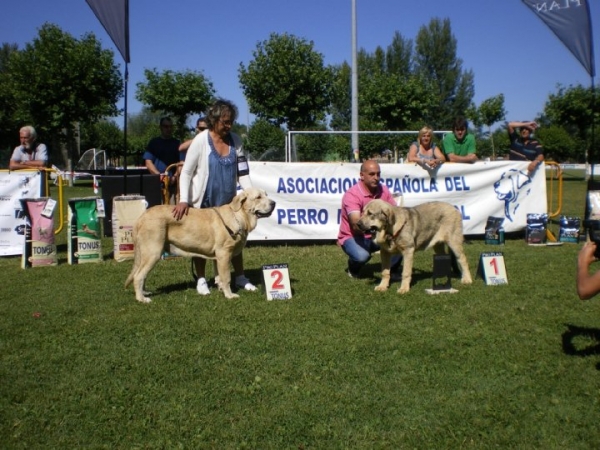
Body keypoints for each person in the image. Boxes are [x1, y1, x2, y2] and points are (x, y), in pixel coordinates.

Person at [172, 99, 256, 295]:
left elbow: (242, 172)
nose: (229, 126)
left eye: (231, 122)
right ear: (214, 120)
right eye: (225, 122)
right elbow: (186, 172)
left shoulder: (236, 141)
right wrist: (184, 199)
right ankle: (201, 279)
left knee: (236, 239)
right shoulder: (200, 141)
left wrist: (250, 195)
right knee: (201, 241)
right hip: (203, 201)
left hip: (228, 202)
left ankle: (240, 276)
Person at [338, 159, 401, 278]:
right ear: (362, 175)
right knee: (362, 256)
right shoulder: (352, 194)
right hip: (354, 236)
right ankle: (353, 268)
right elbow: (356, 224)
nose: (376, 177)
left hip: (377, 233)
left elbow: (395, 212)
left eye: (378, 174)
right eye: (372, 174)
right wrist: (377, 230)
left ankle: (391, 271)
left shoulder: (384, 190)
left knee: (402, 239)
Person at [143, 117, 181, 204]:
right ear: (160, 127)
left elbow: (180, 163)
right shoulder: (154, 143)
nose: (168, 129)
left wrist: (175, 177)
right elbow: (148, 162)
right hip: (157, 185)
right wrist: (159, 176)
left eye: (170, 127)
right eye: (165, 126)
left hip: (173, 185)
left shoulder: (177, 143)